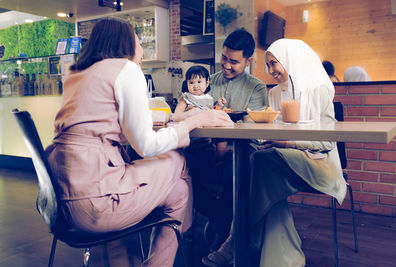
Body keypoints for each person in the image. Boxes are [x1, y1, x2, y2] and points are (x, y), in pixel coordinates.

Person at [44, 17, 232, 267]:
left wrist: (177, 117)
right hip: (95, 202)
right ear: (126, 43)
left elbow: (107, 123)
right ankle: (186, 237)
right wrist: (192, 122)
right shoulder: (126, 68)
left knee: (178, 192)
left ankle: (139, 258)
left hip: (60, 203)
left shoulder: (78, 74)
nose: (142, 50)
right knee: (178, 160)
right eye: (138, 41)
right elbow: (146, 145)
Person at [203, 39, 347, 267]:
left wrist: (288, 142)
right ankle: (281, 259)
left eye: (273, 64)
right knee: (261, 168)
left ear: (291, 60)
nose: (270, 71)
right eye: (268, 65)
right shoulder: (276, 94)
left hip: (321, 165)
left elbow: (328, 141)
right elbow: (273, 130)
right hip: (283, 162)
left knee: (259, 163)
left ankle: (234, 241)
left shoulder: (319, 89)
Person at [184, 28, 266, 261]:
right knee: (180, 167)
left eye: (234, 61)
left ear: (248, 61)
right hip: (206, 148)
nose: (226, 65)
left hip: (238, 150)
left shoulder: (257, 88)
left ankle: (225, 236)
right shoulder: (207, 82)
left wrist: (227, 145)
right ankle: (221, 220)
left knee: (236, 168)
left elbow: (255, 130)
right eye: (224, 58)